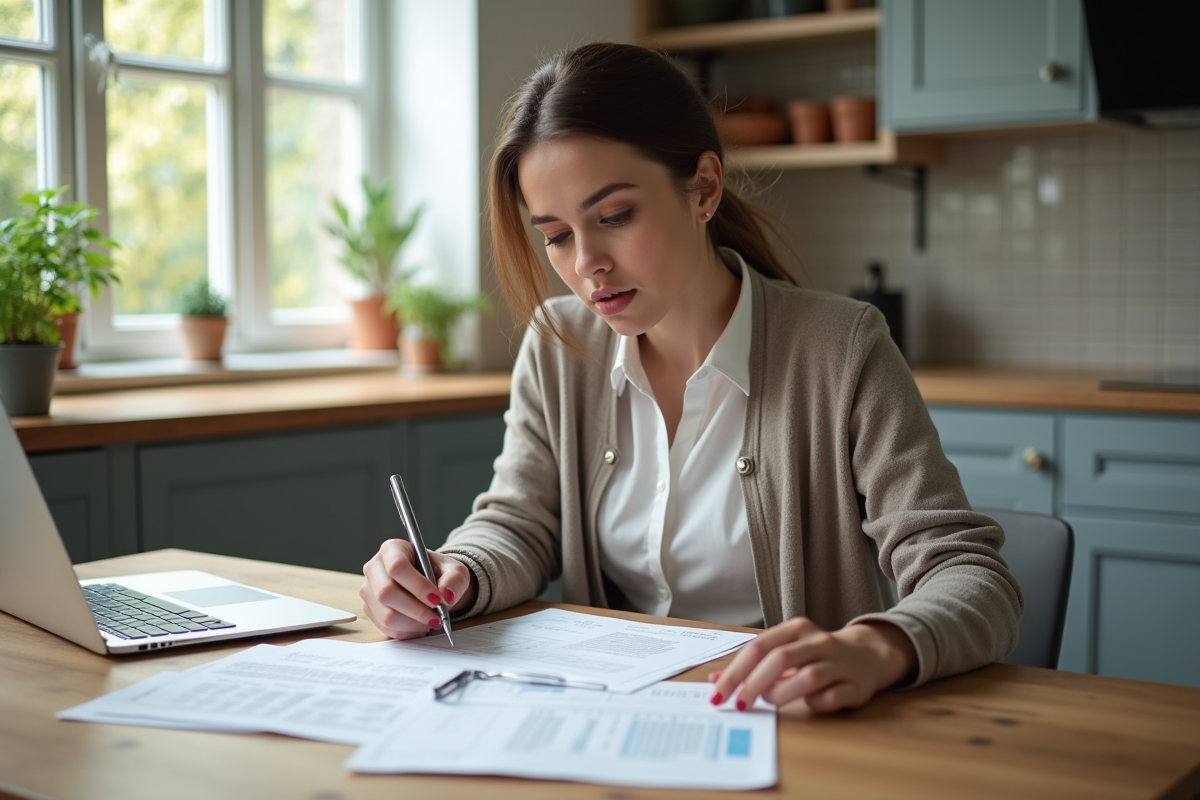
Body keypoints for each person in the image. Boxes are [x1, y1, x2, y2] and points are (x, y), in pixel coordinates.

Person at [360, 42, 1022, 714]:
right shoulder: (558, 346)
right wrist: (454, 574)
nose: (587, 262)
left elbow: (970, 574)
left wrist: (875, 647)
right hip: (611, 717)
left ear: (704, 188)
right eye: (556, 234)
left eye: (614, 217)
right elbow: (520, 522)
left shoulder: (842, 349)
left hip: (791, 728)